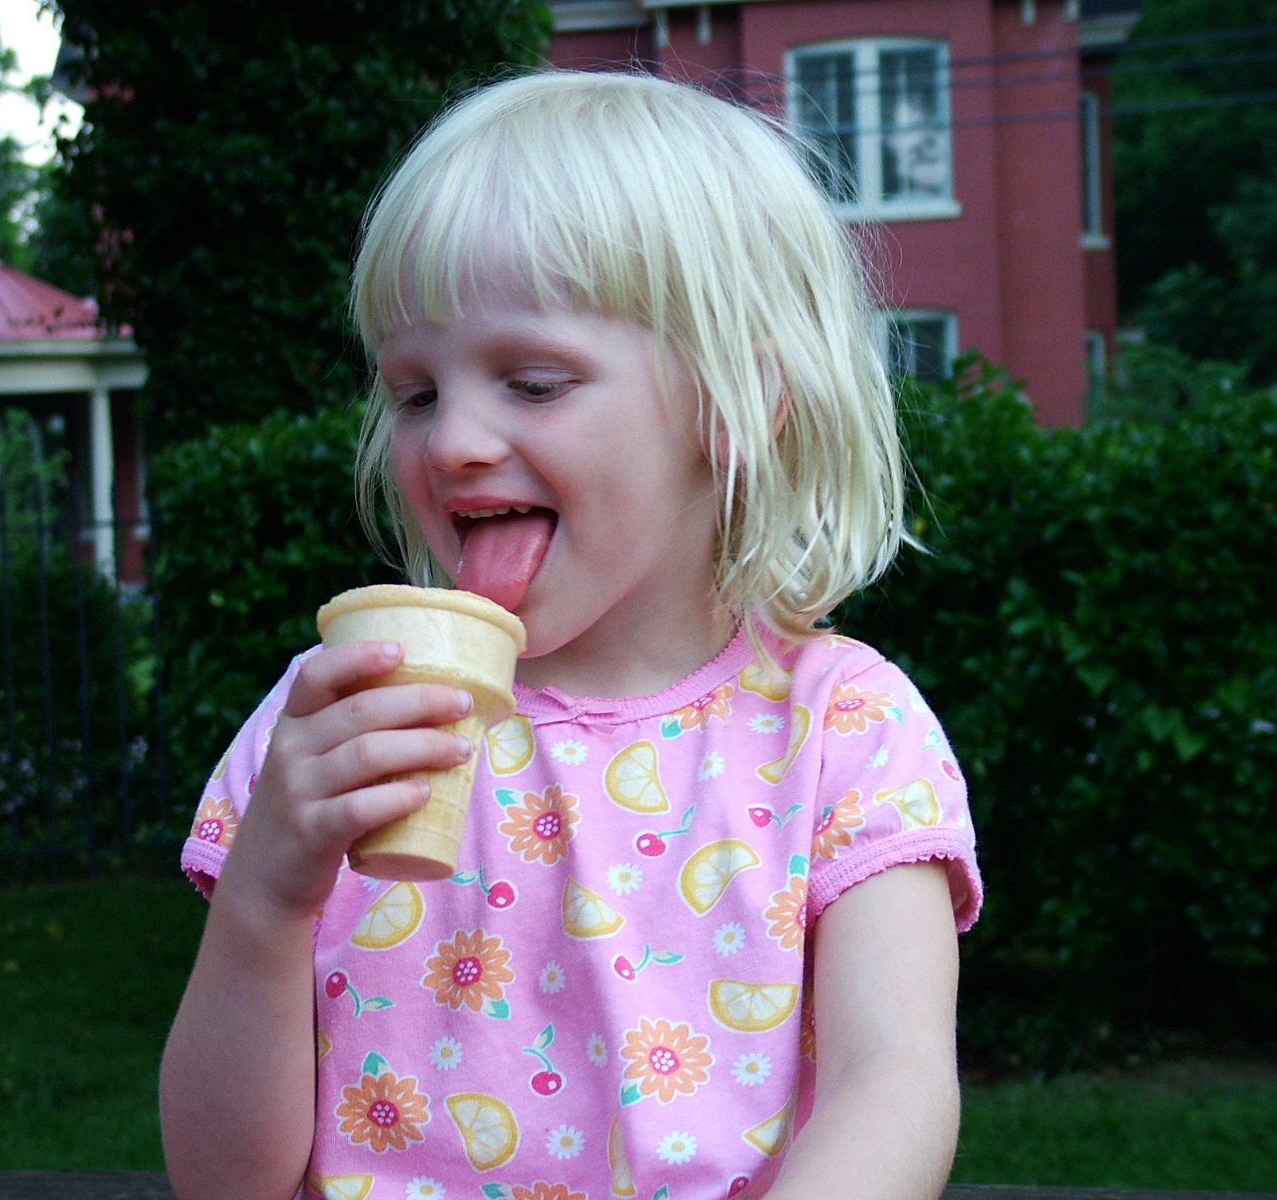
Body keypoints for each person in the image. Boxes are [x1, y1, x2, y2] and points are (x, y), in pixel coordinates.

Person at [160, 68, 982, 1200]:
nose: (451, 442)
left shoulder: (841, 730)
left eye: (531, 382)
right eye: (412, 392)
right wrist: (263, 901)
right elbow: (218, 1179)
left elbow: (890, 1080)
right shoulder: (340, 715)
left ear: (733, 404)